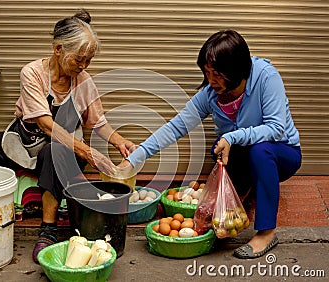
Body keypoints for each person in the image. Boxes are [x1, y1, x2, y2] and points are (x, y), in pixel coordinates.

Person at [0, 9, 135, 263]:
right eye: (79, 59)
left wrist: (120, 141)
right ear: (58, 49)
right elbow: (45, 124)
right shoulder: (32, 73)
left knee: (54, 151)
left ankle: (48, 230)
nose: (83, 66)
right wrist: (88, 152)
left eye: (88, 60)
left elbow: (98, 123)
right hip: (26, 143)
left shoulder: (84, 81)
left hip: (62, 152)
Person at [120, 30, 302, 259]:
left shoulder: (266, 77)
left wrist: (233, 137)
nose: (210, 80)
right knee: (219, 147)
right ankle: (243, 193)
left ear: (235, 71)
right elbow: (177, 126)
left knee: (259, 149)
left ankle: (266, 231)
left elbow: (276, 129)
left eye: (216, 74)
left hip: (282, 154)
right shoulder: (210, 94)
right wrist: (136, 157)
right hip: (246, 155)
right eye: (206, 73)